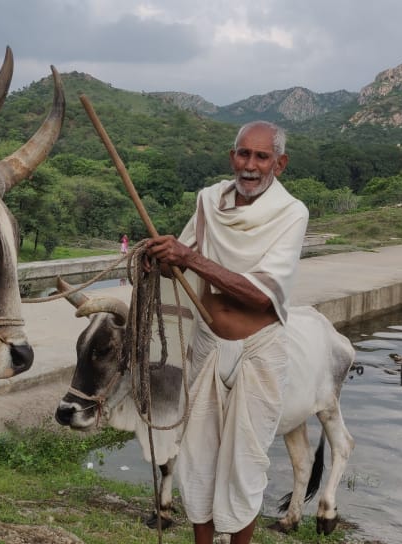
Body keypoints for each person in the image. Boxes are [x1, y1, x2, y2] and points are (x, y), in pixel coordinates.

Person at [145, 121, 309, 544]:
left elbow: (259, 294)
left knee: (245, 465)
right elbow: (181, 261)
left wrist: (188, 258)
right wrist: (161, 258)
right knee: (197, 459)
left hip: (259, 352)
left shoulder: (292, 213)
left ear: (280, 163)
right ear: (231, 156)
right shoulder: (207, 202)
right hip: (208, 345)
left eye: (261, 156)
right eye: (242, 154)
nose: (249, 165)